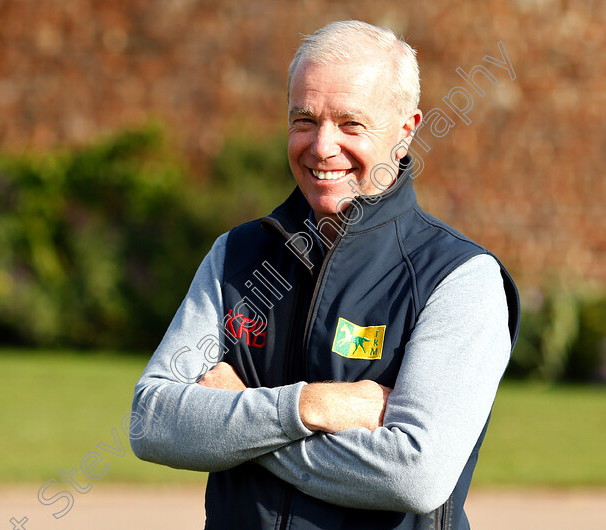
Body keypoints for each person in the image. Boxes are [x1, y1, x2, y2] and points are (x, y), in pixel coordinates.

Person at [129, 20, 520, 530]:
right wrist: (313, 406)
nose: (321, 146)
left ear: (406, 131)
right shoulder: (237, 255)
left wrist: (238, 420)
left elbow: (415, 476)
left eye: (351, 124)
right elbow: (152, 420)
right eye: (304, 120)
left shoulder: (460, 278)